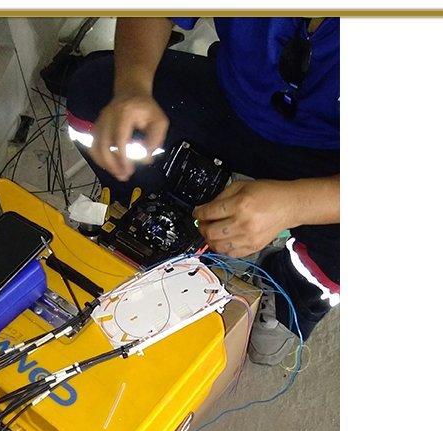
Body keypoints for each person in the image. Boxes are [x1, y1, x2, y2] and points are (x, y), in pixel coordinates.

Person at [66, 17, 340, 365]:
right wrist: (133, 86)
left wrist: (293, 205)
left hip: (333, 150)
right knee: (92, 94)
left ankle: (292, 298)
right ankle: (152, 229)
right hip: (236, 98)